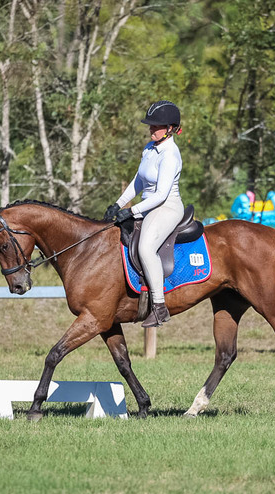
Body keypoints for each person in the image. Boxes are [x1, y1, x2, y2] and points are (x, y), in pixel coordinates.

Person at [103, 100, 184, 328]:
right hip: (148, 205)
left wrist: (132, 210)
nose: (151, 129)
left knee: (146, 247)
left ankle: (159, 307)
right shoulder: (150, 148)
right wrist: (118, 204)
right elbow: (138, 180)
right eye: (150, 125)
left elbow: (160, 195)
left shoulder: (170, 154)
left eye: (156, 126)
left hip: (166, 207)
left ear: (170, 128)